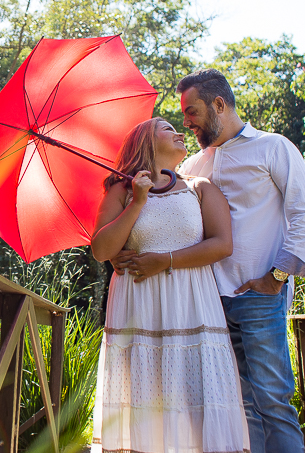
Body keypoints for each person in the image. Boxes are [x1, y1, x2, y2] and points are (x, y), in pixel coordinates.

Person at [115, 69, 305, 453]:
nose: (186, 122)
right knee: (240, 406)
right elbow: (167, 217)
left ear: (219, 105)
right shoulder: (193, 166)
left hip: (259, 294)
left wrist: (275, 278)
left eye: (191, 112)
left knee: (274, 401)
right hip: (207, 305)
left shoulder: (272, 148)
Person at [91, 117, 250, 453]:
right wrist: (137, 202)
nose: (180, 133)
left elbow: (222, 245)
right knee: (145, 401)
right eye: (167, 129)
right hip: (140, 307)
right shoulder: (121, 191)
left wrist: (166, 260)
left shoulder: (200, 187)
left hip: (192, 303)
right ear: (146, 142)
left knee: (197, 398)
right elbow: (103, 250)